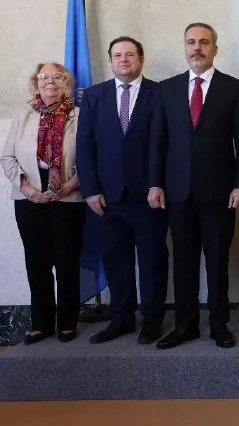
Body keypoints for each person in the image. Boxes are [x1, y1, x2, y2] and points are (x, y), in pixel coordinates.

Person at [149, 22, 239, 349]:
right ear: (184, 48)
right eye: (191, 42)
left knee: (218, 262)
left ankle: (219, 325)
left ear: (215, 49)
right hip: (177, 194)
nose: (197, 48)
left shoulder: (235, 89)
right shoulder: (166, 89)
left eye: (204, 42)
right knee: (183, 263)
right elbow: (158, 142)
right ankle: (185, 326)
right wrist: (154, 184)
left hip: (220, 194)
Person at [76, 36, 169, 345]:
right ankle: (122, 319)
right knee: (116, 262)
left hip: (149, 196)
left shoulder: (160, 92)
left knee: (152, 262)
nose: (124, 59)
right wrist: (91, 190)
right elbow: (85, 146)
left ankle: (152, 320)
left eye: (130, 54)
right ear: (110, 61)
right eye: (117, 55)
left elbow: (165, 144)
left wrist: (157, 183)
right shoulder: (93, 96)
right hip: (107, 198)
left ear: (141, 59)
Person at [1, 63, 84, 344]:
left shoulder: (79, 116)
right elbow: (7, 158)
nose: (50, 81)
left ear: (66, 84)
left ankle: (68, 323)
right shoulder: (22, 117)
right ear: (35, 83)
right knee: (36, 262)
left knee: (67, 260)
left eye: (57, 77)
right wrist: (27, 189)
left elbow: (90, 155)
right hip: (29, 198)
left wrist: (72, 184)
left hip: (68, 197)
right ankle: (41, 324)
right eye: (44, 77)